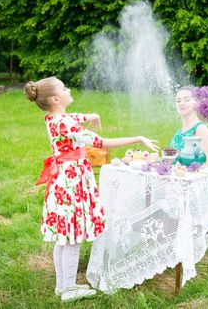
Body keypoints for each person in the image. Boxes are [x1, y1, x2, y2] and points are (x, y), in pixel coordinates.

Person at [24, 77, 158, 302]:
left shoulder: (54, 118)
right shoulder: (67, 123)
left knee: (63, 237)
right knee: (72, 238)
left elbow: (76, 117)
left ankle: (62, 286)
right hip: (72, 182)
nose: (69, 89)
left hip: (62, 181)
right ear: (56, 99)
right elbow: (100, 142)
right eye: (64, 88)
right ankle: (68, 289)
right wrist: (137, 138)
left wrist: (92, 116)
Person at [169, 86, 208, 164]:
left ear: (197, 103)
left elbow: (204, 164)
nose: (181, 103)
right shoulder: (179, 132)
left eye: (187, 100)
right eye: (178, 101)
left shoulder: (200, 129)